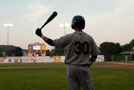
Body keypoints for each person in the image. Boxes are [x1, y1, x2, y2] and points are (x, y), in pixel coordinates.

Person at [35, 15, 99, 90]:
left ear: (73, 24)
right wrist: (89, 64)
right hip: (84, 67)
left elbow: (52, 43)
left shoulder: (69, 37)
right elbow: (95, 55)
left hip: (71, 68)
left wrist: (41, 35)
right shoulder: (89, 38)